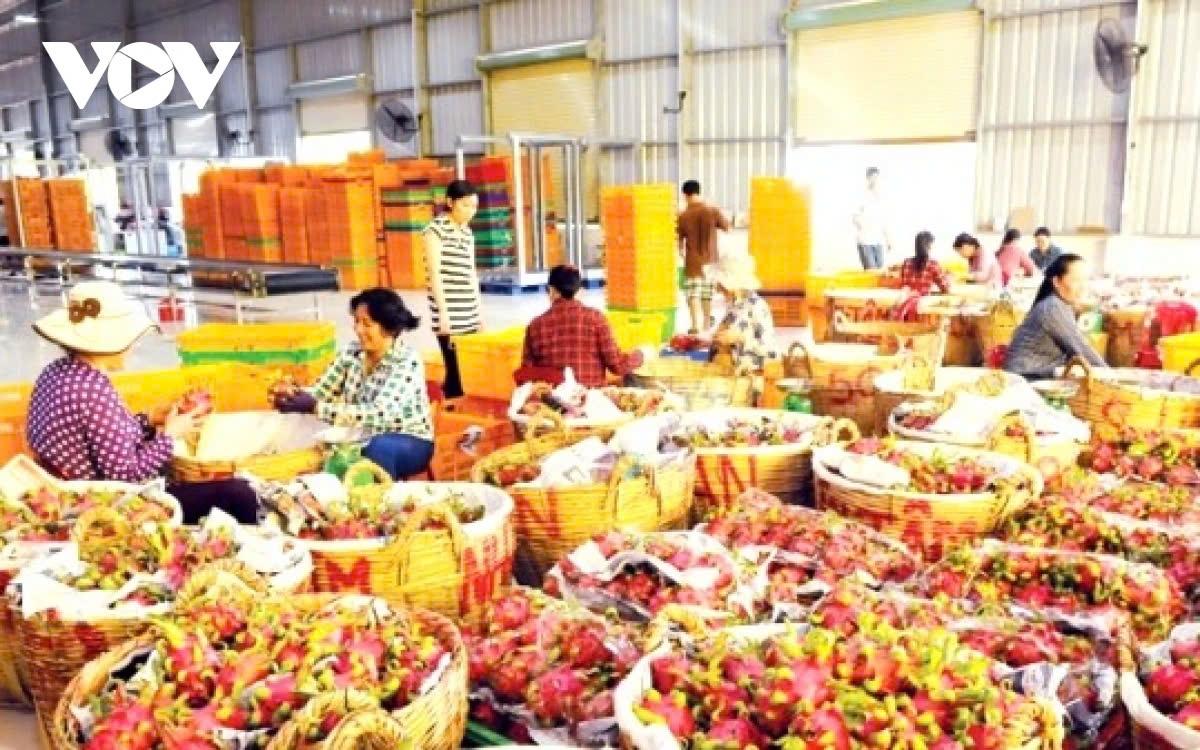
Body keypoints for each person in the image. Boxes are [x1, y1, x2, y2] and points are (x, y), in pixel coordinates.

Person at [26, 281, 258, 524]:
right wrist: (170, 435)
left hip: (70, 490)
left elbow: (103, 441)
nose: (132, 348)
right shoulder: (91, 391)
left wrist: (148, 420)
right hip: (104, 504)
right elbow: (127, 475)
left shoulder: (56, 372)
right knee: (239, 494)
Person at [276, 289, 434, 481]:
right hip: (359, 436)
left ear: (389, 328)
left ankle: (376, 503)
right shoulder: (351, 353)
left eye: (367, 324)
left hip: (408, 440)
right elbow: (321, 391)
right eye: (356, 322)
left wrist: (316, 407)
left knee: (377, 448)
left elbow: (380, 414)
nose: (358, 330)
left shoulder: (407, 362)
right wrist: (293, 395)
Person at [516, 265, 644, 388]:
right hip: (592, 401)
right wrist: (641, 354)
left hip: (552, 405)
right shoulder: (596, 319)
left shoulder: (535, 326)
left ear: (551, 290)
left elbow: (526, 376)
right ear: (580, 291)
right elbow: (618, 366)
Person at [1004, 253, 1106, 380]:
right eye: (1076, 280)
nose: (1083, 286)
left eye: (1085, 279)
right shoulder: (1053, 308)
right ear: (1056, 281)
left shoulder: (1061, 304)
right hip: (1025, 378)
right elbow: (1080, 348)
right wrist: (1111, 378)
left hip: (1038, 373)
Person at [424, 179, 482, 399]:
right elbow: (434, 274)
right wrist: (444, 313)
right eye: (465, 205)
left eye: (474, 207)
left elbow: (471, 273)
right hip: (448, 309)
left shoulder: (467, 233)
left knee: (467, 369)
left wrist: (478, 311)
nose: (470, 212)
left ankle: (457, 412)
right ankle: (449, 414)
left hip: (468, 308)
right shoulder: (435, 231)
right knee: (454, 369)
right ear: (450, 202)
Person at [676, 180, 731, 334]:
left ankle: (695, 326)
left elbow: (678, 241)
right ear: (699, 192)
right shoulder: (712, 210)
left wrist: (681, 250)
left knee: (693, 294)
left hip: (693, 261)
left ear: (685, 195)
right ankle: (707, 324)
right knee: (707, 295)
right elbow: (728, 227)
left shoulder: (683, 215)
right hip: (711, 261)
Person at [711, 252, 777, 373]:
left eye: (721, 284)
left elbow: (769, 349)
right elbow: (723, 333)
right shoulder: (734, 304)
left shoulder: (756, 306)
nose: (718, 289)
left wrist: (741, 338)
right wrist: (711, 340)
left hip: (753, 375)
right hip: (733, 370)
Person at [853, 167, 891, 270]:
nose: (875, 180)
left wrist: (887, 239)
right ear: (868, 178)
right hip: (865, 241)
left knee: (880, 273)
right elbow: (855, 218)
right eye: (872, 177)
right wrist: (864, 227)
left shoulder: (881, 198)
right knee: (871, 271)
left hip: (878, 241)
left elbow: (883, 221)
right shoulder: (861, 196)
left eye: (877, 178)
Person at [898, 231, 951, 296]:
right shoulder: (933, 264)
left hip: (907, 301)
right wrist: (948, 277)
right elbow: (945, 288)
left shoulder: (907, 262)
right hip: (922, 302)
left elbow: (904, 285)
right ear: (929, 246)